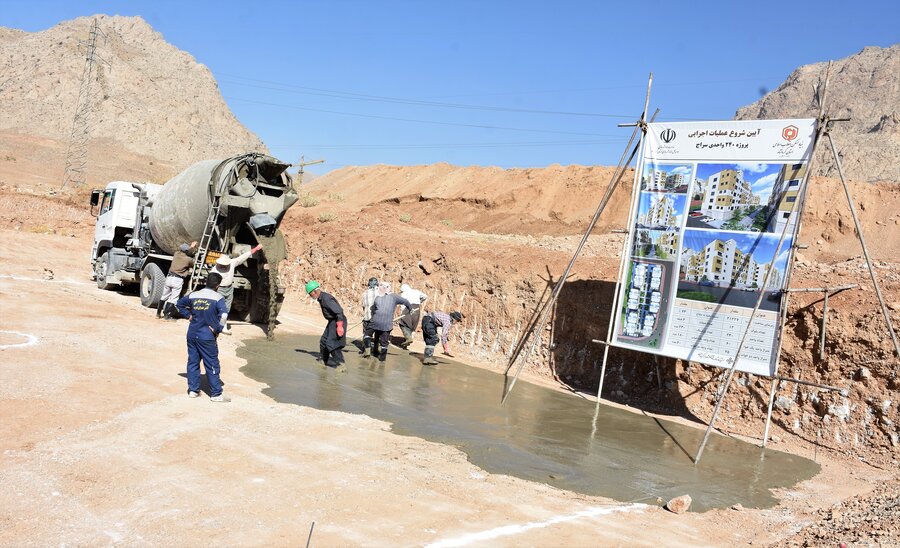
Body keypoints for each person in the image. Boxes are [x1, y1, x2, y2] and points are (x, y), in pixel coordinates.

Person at [176, 272, 229, 402]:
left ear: (206, 282)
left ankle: (193, 391)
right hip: (207, 337)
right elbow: (223, 316)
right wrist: (218, 329)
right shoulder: (218, 298)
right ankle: (216, 394)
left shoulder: (194, 295)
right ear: (218, 285)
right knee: (211, 364)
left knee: (193, 362)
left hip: (192, 334)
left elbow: (179, 304)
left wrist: (188, 315)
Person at [212, 244, 264, 334]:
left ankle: (223, 327)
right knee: (216, 307)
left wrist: (255, 249)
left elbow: (244, 256)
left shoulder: (232, 263)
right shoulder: (214, 270)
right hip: (219, 289)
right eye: (221, 265)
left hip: (229, 289)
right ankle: (213, 325)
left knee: (226, 309)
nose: (223, 266)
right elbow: (211, 281)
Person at [306, 280, 347, 368]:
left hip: (338, 320)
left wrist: (339, 326)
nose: (310, 296)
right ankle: (323, 361)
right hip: (332, 321)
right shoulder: (321, 298)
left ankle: (341, 365)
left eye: (310, 294)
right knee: (323, 341)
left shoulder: (326, 299)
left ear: (315, 291)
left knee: (331, 343)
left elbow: (339, 311)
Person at [369, 282, 411, 361]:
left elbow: (374, 309)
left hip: (376, 322)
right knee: (384, 341)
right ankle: (382, 358)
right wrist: (410, 309)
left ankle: (375, 351)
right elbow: (406, 302)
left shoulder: (378, 296)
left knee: (377, 336)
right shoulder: (394, 296)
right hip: (386, 323)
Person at [157, 241, 197, 320]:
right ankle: (166, 315)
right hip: (177, 280)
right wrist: (193, 248)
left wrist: (190, 247)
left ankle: (158, 313)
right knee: (173, 299)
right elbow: (193, 263)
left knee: (164, 296)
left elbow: (185, 251)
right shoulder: (188, 260)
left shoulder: (176, 254)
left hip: (169, 278)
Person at [398, 283, 427, 349]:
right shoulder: (416, 291)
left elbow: (402, 305)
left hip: (408, 309)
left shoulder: (404, 294)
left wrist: (402, 313)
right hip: (417, 309)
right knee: (411, 326)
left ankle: (408, 338)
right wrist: (420, 301)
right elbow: (425, 296)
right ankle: (405, 345)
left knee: (403, 323)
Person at [360, 277, 379, 357]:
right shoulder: (380, 292)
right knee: (377, 334)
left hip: (367, 317)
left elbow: (364, 306)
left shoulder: (364, 294)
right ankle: (376, 350)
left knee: (366, 334)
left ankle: (366, 350)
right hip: (377, 318)